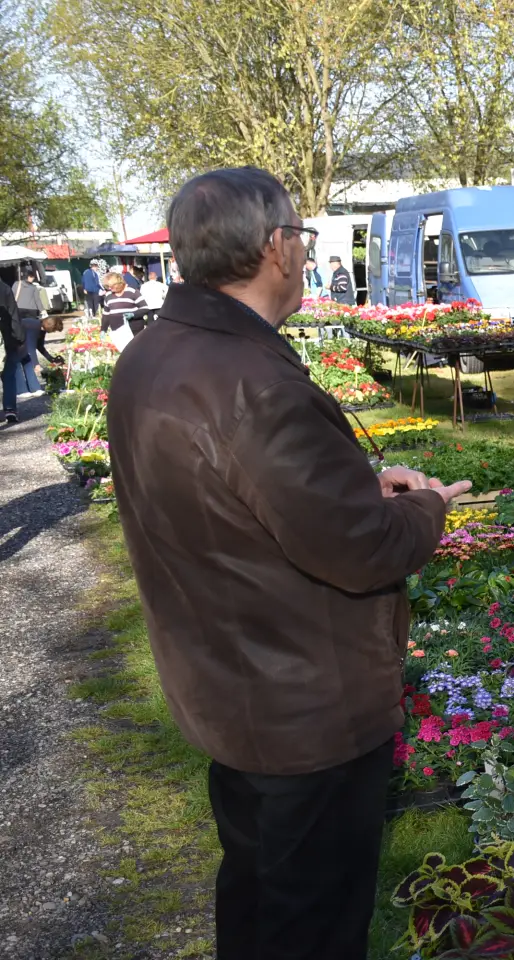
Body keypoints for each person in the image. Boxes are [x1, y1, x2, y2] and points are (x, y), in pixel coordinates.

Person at [106, 167, 472, 960]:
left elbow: (228, 496)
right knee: (311, 926)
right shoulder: (252, 382)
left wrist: (356, 487)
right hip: (303, 712)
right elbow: (364, 550)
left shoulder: (156, 352)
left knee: (257, 902)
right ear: (276, 246)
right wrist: (425, 506)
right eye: (301, 236)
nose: (305, 252)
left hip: (231, 690)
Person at [14, 268, 56, 397]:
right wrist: (43, 311)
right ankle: (23, 389)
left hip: (18, 313)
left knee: (24, 356)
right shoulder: (33, 288)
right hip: (27, 316)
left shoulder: (17, 284)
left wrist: (50, 359)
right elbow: (31, 347)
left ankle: (32, 388)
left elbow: (37, 346)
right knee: (18, 358)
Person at [0, 277, 21, 423]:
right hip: (8, 337)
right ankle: (10, 409)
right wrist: (19, 338)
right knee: (9, 376)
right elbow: (14, 314)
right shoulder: (5, 288)